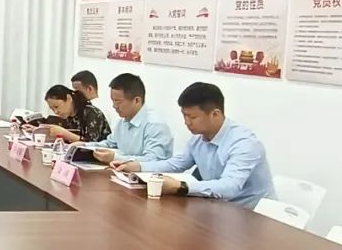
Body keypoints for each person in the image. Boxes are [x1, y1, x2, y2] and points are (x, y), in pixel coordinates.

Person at [114, 82, 276, 209]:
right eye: (184, 116)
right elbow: (175, 164)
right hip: (217, 210)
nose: (187, 122)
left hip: (252, 216)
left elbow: (229, 187)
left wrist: (182, 187)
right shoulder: (198, 138)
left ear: (215, 114)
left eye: (192, 117)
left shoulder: (244, 143)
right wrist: (137, 166)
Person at [89, 73, 174, 163]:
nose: (114, 106)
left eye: (118, 101)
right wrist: (85, 145)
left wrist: (115, 158)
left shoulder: (155, 124)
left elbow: (152, 160)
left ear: (137, 100)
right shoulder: (122, 121)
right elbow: (110, 143)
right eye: (113, 100)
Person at [34, 84, 112, 143]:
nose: (56, 112)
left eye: (56, 107)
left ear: (69, 98)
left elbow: (90, 144)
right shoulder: (68, 116)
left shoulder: (91, 113)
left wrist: (64, 134)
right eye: (52, 109)